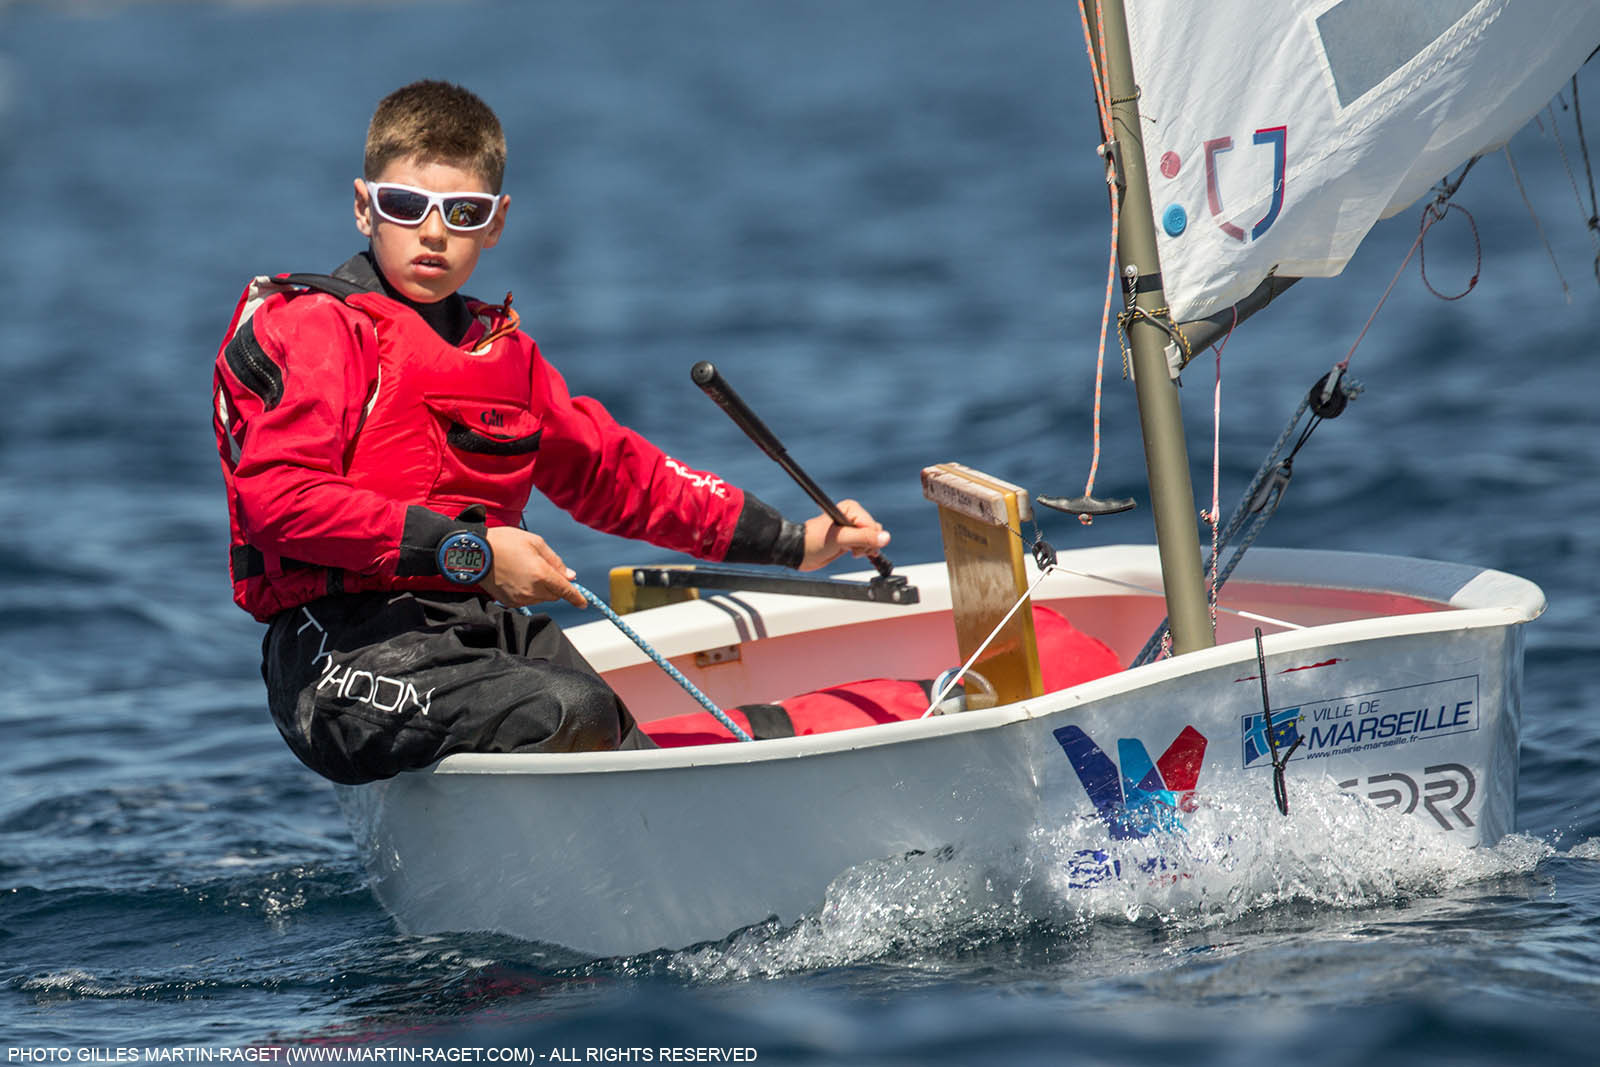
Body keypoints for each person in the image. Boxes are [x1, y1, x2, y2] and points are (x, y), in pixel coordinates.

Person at [211, 79, 889, 785]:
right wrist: (469, 553)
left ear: (496, 222)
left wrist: (795, 542)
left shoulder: (507, 356)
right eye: (406, 206)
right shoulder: (319, 328)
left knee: (624, 746)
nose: (434, 232)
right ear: (363, 207)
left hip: (477, 635)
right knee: (569, 713)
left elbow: (620, 475)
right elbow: (280, 501)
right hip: (339, 654)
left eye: (463, 212)